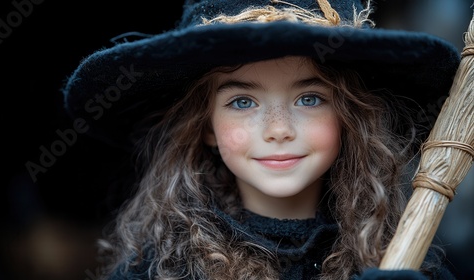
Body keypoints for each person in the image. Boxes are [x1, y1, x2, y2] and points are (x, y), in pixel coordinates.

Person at [61, 0, 462, 279]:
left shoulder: (407, 261)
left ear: (349, 115)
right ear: (205, 126)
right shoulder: (156, 271)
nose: (277, 128)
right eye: (241, 101)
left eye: (310, 98)